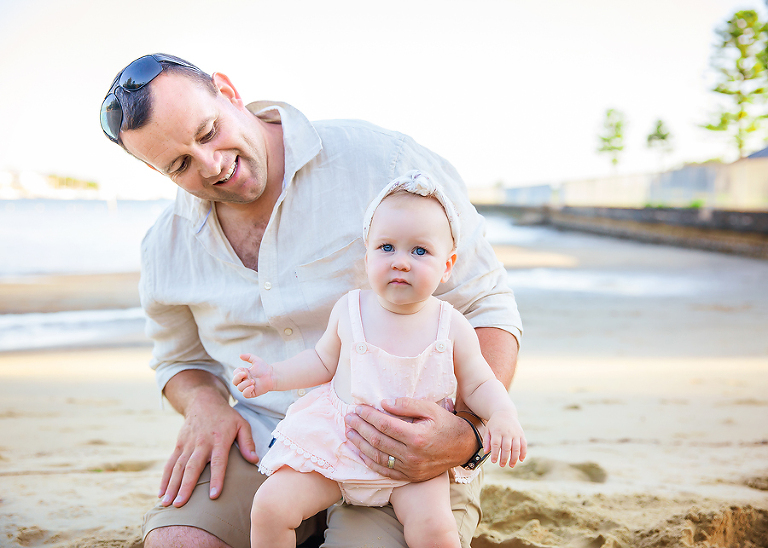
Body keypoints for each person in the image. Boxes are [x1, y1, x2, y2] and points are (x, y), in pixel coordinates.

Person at [100, 53, 523, 548]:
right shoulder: (165, 246)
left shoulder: (385, 163)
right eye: (180, 164)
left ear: (227, 90)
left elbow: (487, 305)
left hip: (407, 447)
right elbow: (179, 361)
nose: (212, 165)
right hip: (272, 444)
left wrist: (465, 434)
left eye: (208, 131)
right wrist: (205, 404)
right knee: (177, 543)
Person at [233, 171, 527, 548]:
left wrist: (503, 414)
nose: (401, 262)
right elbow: (321, 362)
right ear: (367, 253)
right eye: (387, 247)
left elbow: (480, 382)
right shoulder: (350, 309)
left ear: (448, 265)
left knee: (436, 532)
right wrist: (272, 375)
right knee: (270, 506)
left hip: (413, 459)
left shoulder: (451, 326)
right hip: (338, 443)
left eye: (419, 251)